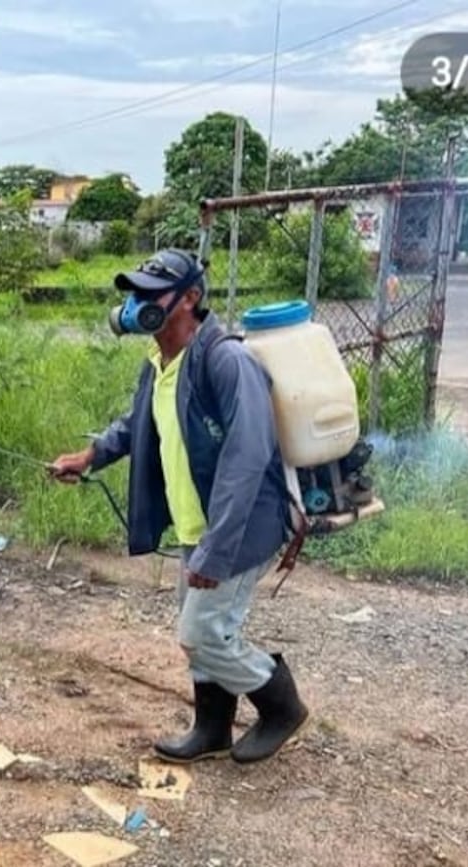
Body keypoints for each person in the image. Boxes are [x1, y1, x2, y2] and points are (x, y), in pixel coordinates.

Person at [48, 248, 308, 764]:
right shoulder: (162, 361)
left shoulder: (225, 360)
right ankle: (211, 729)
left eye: (151, 293)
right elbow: (136, 423)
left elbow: (246, 457)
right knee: (201, 632)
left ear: (190, 297)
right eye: (134, 293)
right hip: (199, 523)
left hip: (240, 526)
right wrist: (90, 456)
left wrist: (215, 550)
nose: (138, 302)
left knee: (201, 632)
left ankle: (281, 707)